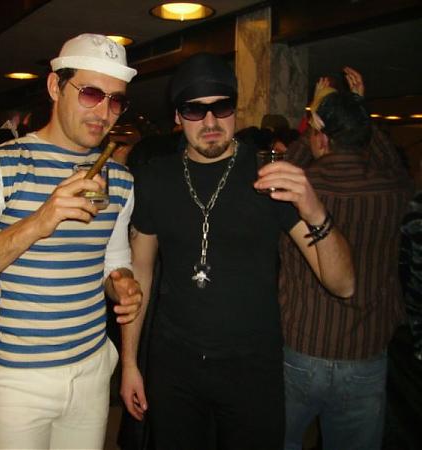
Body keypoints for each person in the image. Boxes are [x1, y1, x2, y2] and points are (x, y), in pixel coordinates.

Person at [119, 53, 355, 450]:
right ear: (177, 116)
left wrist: (314, 209)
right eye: (195, 110)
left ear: (235, 109)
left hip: (252, 369)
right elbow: (139, 272)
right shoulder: (155, 178)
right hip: (174, 366)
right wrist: (130, 363)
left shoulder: (267, 174)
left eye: (222, 107)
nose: (210, 122)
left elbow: (343, 284)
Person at [0, 33, 142, 449]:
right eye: (91, 94)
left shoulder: (119, 180)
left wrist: (121, 283)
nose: (104, 113)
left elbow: (113, 261)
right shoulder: (2, 165)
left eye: (115, 101)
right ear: (54, 87)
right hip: (20, 379)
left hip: (91, 369)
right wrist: (41, 220)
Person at [280, 70, 412, 450]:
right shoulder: (393, 190)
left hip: (301, 347)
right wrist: (358, 111)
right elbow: (394, 165)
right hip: (365, 354)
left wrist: (315, 113)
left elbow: (284, 167)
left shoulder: (301, 190)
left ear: (321, 137)